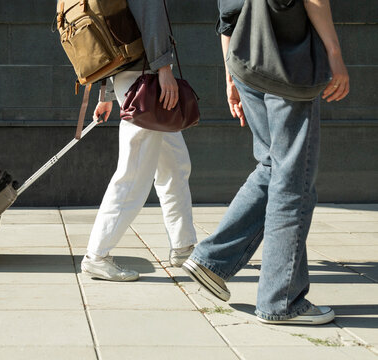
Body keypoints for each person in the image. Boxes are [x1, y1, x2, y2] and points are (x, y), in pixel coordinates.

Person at [182, 0, 349, 325]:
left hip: (246, 65)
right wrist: (335, 54)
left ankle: (211, 260)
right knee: (292, 183)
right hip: (288, 67)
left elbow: (227, 15)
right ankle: (281, 301)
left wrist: (230, 76)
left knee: (275, 169)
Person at [80, 0, 197, 281]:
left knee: (174, 165)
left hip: (131, 78)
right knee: (133, 174)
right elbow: (151, 15)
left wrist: (107, 95)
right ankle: (97, 255)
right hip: (146, 79)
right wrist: (164, 69)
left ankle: (183, 246)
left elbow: (114, 28)